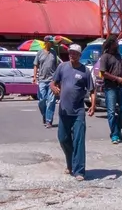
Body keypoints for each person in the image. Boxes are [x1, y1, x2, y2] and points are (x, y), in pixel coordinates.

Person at [50, 44, 95, 181]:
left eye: (74, 53)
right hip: (64, 110)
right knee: (63, 139)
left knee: (78, 141)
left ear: (79, 55)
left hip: (78, 112)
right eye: (70, 53)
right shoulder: (62, 67)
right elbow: (53, 82)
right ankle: (70, 164)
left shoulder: (85, 71)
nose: (71, 55)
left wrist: (93, 105)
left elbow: (92, 91)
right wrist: (53, 88)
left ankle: (79, 171)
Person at [96, 36, 122, 144]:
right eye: (116, 42)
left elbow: (120, 69)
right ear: (111, 44)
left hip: (120, 86)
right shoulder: (105, 57)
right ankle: (115, 134)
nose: (118, 44)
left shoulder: (118, 56)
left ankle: (118, 129)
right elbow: (103, 73)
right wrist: (117, 79)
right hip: (110, 87)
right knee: (111, 112)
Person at [32, 36, 60, 128]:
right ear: (46, 42)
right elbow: (36, 65)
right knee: (42, 101)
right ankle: (44, 114)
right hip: (42, 80)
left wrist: (57, 79)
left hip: (52, 80)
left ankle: (49, 120)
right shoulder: (39, 53)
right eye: (50, 42)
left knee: (51, 101)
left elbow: (56, 66)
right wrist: (35, 77)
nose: (51, 44)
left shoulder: (54, 53)